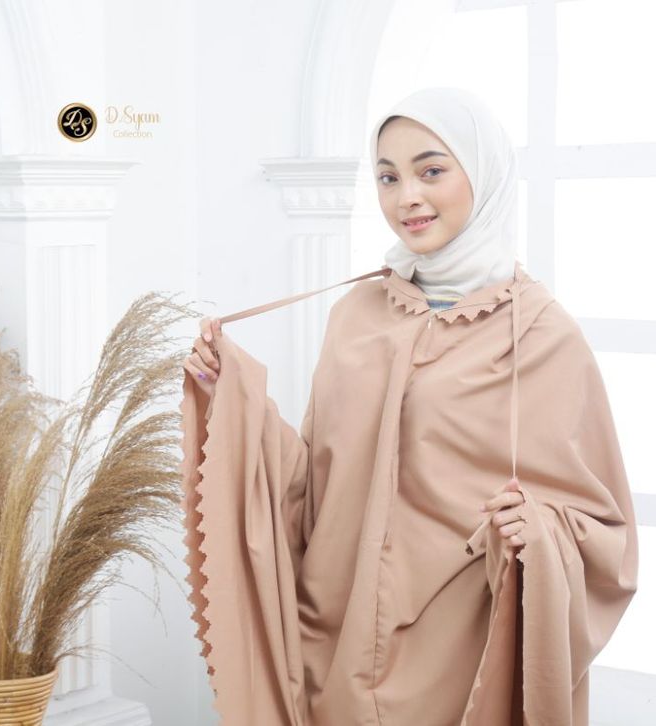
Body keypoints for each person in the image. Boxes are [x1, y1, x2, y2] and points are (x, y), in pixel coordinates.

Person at [180, 87, 638, 725]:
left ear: (483, 173)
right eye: (388, 177)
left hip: (460, 658)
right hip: (335, 639)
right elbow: (316, 483)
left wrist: (538, 529)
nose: (406, 198)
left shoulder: (541, 334)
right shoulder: (356, 315)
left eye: (431, 171)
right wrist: (229, 397)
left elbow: (606, 535)